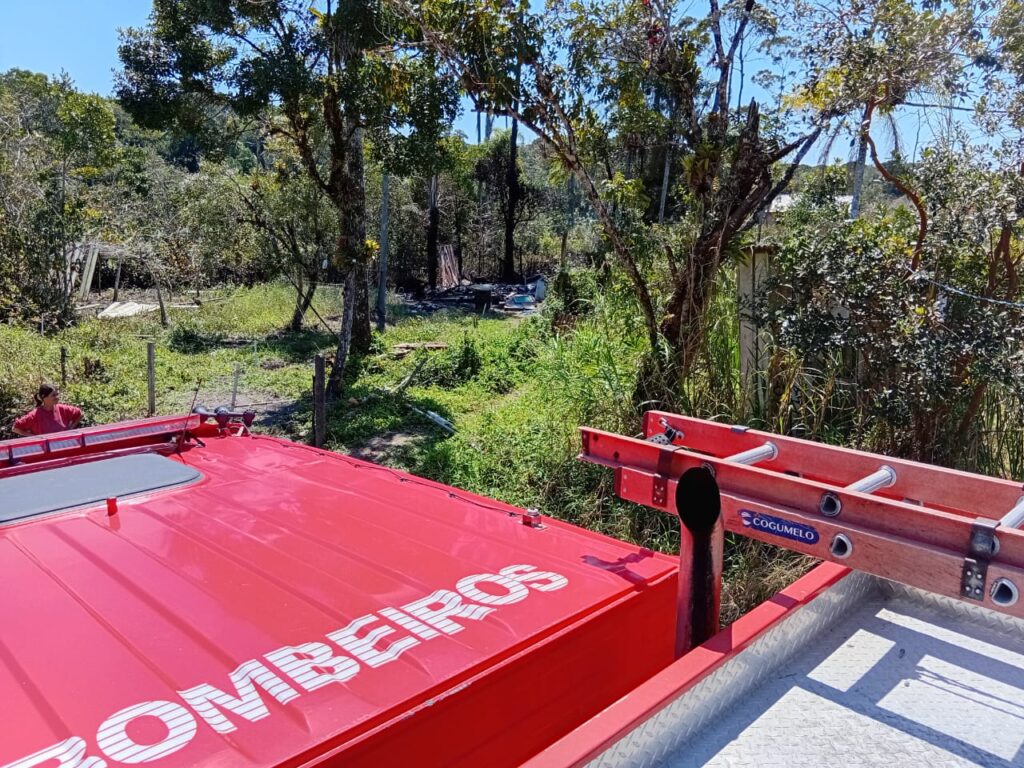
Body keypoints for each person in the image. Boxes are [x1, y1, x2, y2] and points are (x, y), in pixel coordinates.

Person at [11, 384, 83, 437]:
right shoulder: (35, 415)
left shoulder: (63, 409)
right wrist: (34, 437)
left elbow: (80, 414)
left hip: (64, 445)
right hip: (46, 450)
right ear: (44, 397)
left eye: (57, 394)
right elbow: (15, 428)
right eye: (53, 395)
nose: (57, 397)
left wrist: (70, 429)